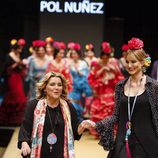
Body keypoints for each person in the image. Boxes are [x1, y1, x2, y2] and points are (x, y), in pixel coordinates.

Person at [87, 37, 158, 158]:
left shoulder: (153, 86)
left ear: (142, 62)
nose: (129, 65)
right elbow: (116, 115)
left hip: (148, 144)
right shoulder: (120, 86)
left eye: (133, 62)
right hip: (123, 141)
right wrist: (97, 125)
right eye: (127, 61)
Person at [18, 72, 91, 158]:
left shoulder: (68, 107)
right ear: (45, 88)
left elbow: (74, 133)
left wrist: (82, 125)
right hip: (40, 153)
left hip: (61, 154)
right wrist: (24, 143)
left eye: (59, 85)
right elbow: (25, 128)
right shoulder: (33, 105)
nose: (56, 88)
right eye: (52, 84)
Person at [88, 41, 124, 136]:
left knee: (111, 108)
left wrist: (112, 70)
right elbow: (91, 78)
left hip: (111, 90)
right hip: (101, 90)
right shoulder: (96, 63)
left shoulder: (114, 62)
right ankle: (101, 131)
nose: (105, 57)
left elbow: (119, 76)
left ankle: (110, 131)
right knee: (100, 109)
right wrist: (101, 70)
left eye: (106, 55)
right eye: (103, 55)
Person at [0, 39, 27, 126]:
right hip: (12, 78)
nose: (20, 50)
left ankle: (17, 120)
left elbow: (20, 68)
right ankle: (8, 120)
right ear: (15, 49)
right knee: (13, 96)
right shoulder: (9, 56)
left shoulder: (18, 55)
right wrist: (16, 64)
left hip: (18, 77)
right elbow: (5, 69)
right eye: (19, 48)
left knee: (20, 96)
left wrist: (21, 64)